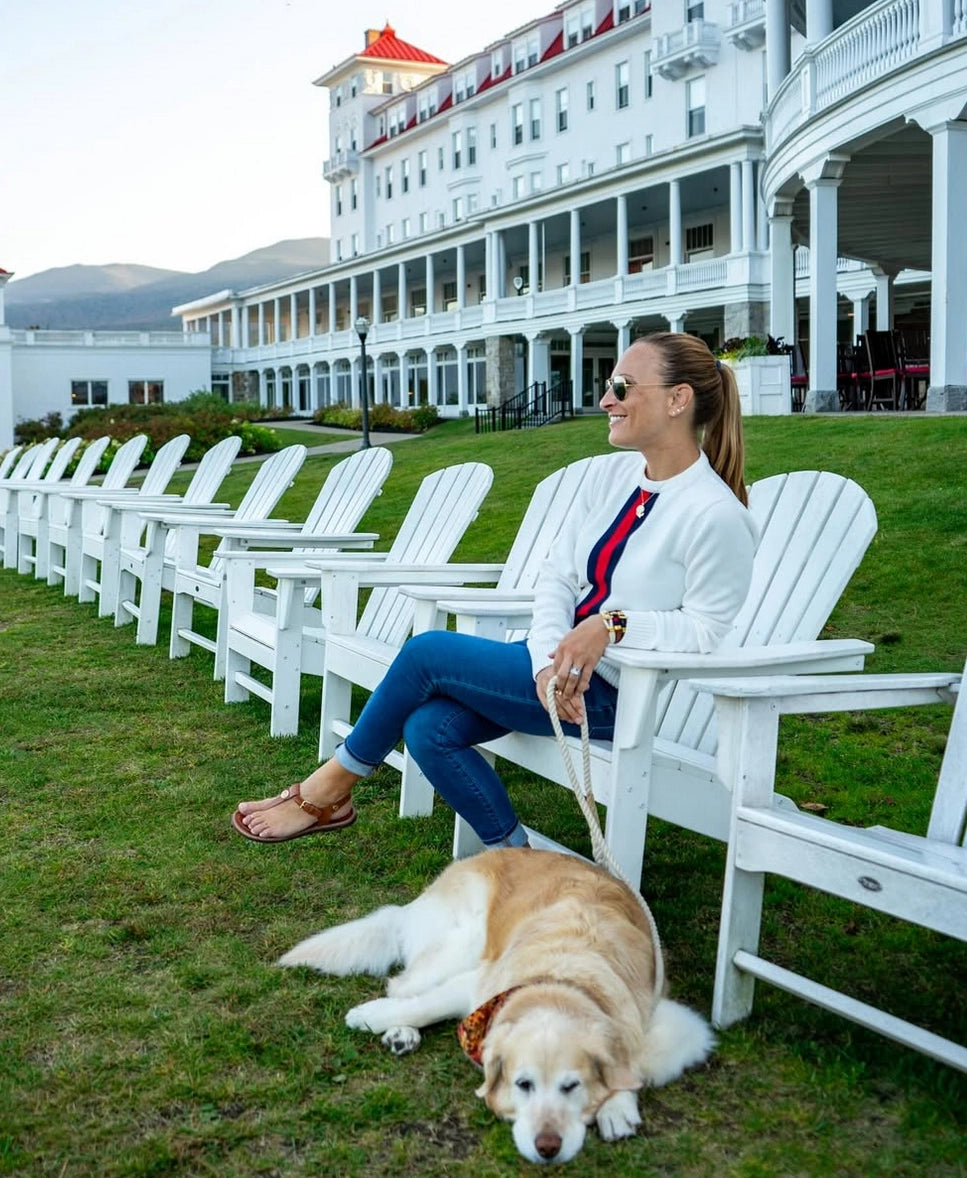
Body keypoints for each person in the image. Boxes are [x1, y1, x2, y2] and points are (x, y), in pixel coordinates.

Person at [233, 332, 757, 846]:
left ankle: (326, 791)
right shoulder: (611, 480)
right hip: (552, 671)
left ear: (677, 400)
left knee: (427, 653)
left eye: (622, 386)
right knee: (429, 728)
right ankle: (518, 862)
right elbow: (556, 574)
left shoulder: (714, 514)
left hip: (613, 697)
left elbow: (708, 632)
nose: (604, 400)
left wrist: (610, 626)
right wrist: (546, 663)